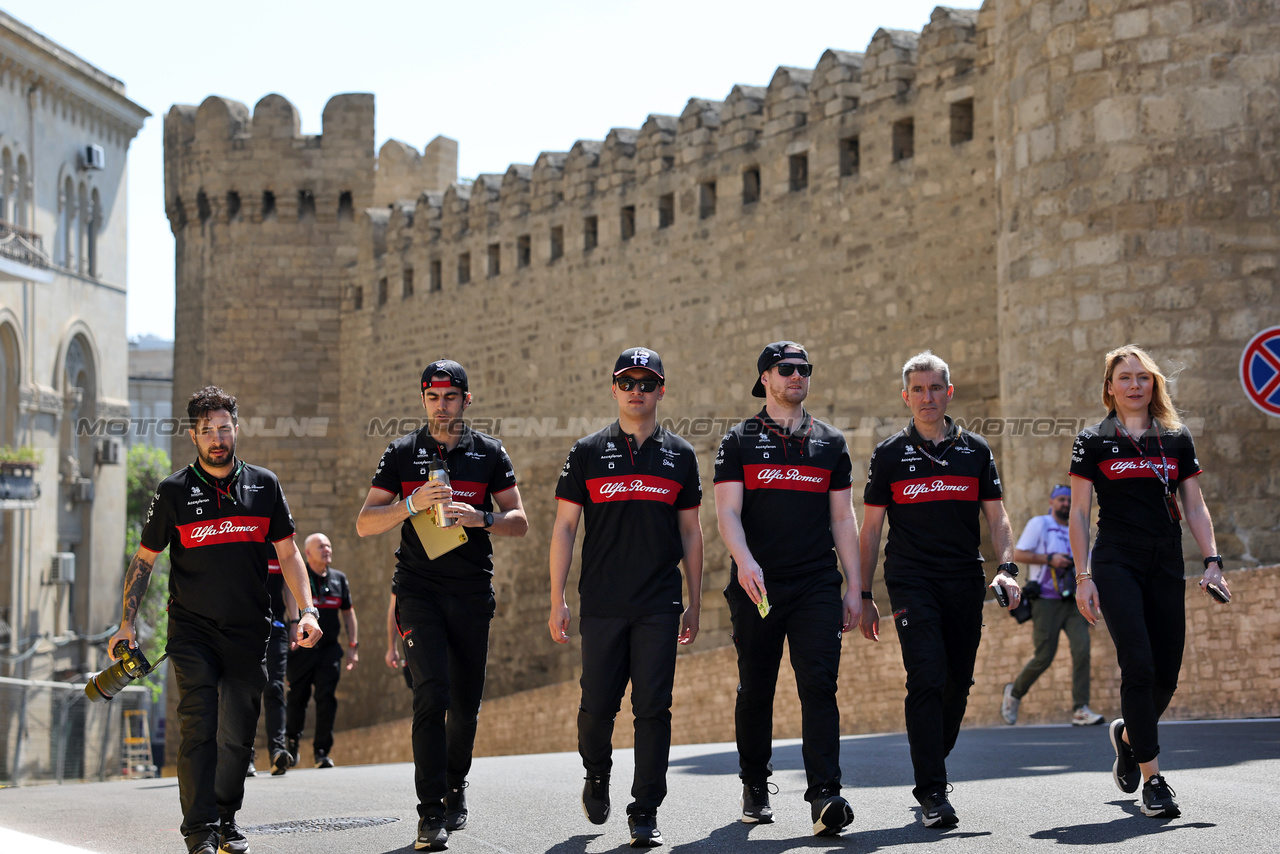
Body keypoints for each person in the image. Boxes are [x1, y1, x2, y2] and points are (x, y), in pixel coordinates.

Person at [108, 386, 322, 854]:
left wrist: (307, 610)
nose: (217, 438)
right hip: (192, 631)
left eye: (224, 428)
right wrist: (126, 622)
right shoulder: (173, 492)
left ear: (236, 429)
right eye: (207, 431)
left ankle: (226, 817)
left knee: (239, 733)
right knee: (198, 723)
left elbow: (288, 554)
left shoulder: (264, 485)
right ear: (193, 436)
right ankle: (199, 828)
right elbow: (144, 560)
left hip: (250, 631)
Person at [356, 359, 528, 852]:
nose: (441, 405)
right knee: (431, 692)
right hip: (419, 592)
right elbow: (365, 522)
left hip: (473, 592)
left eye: (450, 396)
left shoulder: (489, 453)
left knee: (466, 705)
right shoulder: (402, 453)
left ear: (466, 400)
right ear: (423, 399)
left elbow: (520, 520)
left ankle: (455, 784)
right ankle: (429, 813)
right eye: (432, 397)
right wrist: (410, 504)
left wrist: (481, 518)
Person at [857, 351, 1020, 829]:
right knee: (927, 675)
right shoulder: (888, 455)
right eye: (918, 389)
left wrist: (1007, 567)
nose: (926, 397)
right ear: (905, 395)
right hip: (911, 580)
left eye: (935, 388)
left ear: (949, 392)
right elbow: (870, 531)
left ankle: (934, 759)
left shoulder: (976, 451)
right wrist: (863, 595)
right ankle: (931, 788)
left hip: (964, 579)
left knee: (958, 682)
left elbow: (998, 517)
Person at [549, 346, 703, 849]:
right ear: (614, 388)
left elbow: (691, 531)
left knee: (654, 708)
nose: (637, 390)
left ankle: (644, 811)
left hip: (659, 602)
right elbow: (565, 528)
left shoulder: (681, 454)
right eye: (627, 382)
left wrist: (695, 600)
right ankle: (597, 773)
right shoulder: (588, 451)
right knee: (597, 705)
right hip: (602, 602)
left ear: (662, 389)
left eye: (647, 382)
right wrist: (557, 598)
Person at [1070, 344, 1228, 819]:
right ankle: (1154, 780)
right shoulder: (1092, 439)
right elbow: (1079, 513)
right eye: (1125, 377)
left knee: (1167, 674)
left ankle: (1126, 736)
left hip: (1165, 560)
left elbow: (1194, 505)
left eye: (1143, 377)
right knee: (1137, 665)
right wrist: (1083, 576)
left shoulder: (1174, 437)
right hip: (1116, 560)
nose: (1135, 384)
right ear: (1110, 387)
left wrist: (1213, 562)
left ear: (1153, 383)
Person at [713, 341, 861, 835]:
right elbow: (727, 512)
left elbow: (843, 517)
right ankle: (755, 782)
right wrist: (745, 561)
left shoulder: (831, 442)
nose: (797, 375)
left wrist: (856, 588)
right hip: (758, 585)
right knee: (757, 688)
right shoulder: (738, 441)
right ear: (765, 379)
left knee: (819, 684)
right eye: (786, 369)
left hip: (817, 582)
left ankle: (825, 795)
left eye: (804, 369)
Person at [1000, 486, 1105, 727]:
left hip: (1073, 600)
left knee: (1082, 651)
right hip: (1046, 600)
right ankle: (1014, 692)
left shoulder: (1077, 528)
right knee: (1044, 656)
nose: (1066, 504)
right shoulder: (1040, 524)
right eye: (1061, 499)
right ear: (1052, 501)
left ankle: (1081, 708)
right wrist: (1050, 559)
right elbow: (1019, 553)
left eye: (1070, 499)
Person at [285, 533, 358, 769]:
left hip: (329, 650)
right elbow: (289, 605)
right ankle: (292, 742)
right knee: (298, 697)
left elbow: (348, 613)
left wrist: (353, 646)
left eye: (328, 545)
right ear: (307, 553)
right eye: (321, 546)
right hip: (302, 649)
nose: (327, 549)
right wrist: (291, 630)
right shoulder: (301, 577)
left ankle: (321, 752)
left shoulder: (339, 579)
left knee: (326, 697)